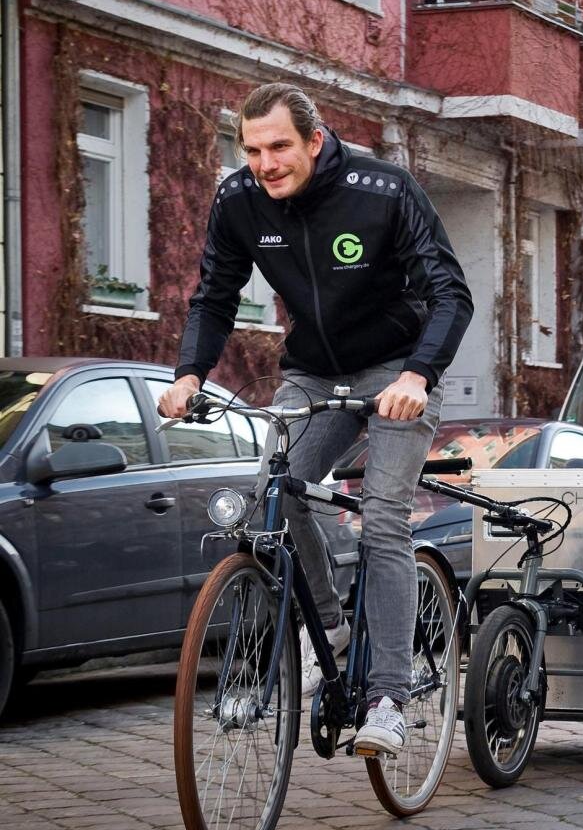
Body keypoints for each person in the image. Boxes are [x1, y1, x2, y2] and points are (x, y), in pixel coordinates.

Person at [158, 83, 473, 756]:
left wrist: (419, 375)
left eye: (279, 147)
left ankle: (388, 695)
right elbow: (214, 295)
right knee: (275, 492)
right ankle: (329, 625)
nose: (265, 163)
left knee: (385, 514)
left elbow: (450, 291)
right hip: (313, 373)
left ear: (314, 140)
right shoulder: (239, 200)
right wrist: (190, 372)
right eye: (252, 150)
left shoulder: (382, 191)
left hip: (397, 370)